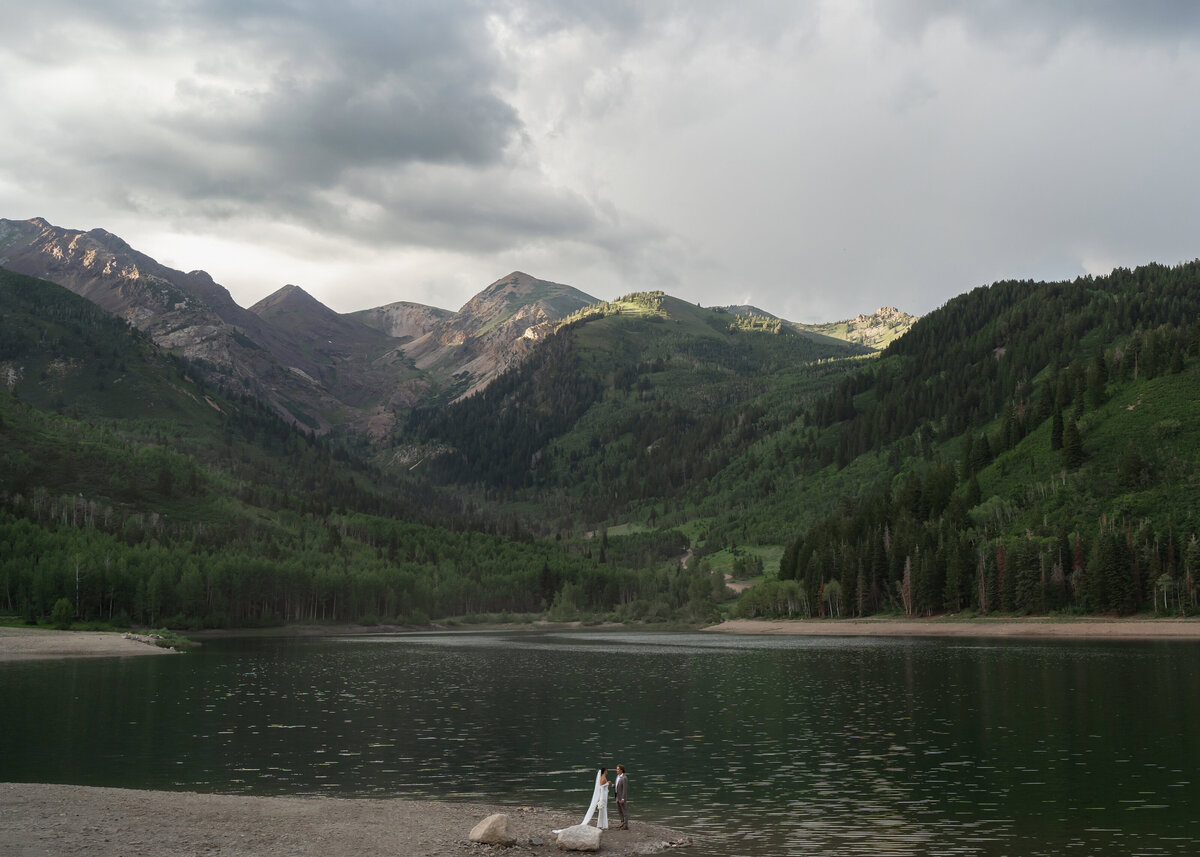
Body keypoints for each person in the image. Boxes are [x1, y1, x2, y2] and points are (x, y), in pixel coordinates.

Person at [555, 768, 610, 833]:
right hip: (603, 796)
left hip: (604, 796)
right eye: (606, 770)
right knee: (603, 810)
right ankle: (603, 825)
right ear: (604, 771)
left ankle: (601, 824)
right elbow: (601, 787)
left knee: (602, 811)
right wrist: (607, 784)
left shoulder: (603, 778)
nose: (607, 771)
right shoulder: (603, 779)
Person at [614, 764, 628, 829]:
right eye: (617, 769)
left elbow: (624, 789)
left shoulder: (624, 778)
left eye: (618, 769)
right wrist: (612, 785)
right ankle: (622, 823)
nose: (617, 770)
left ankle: (625, 825)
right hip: (617, 796)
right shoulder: (617, 776)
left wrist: (623, 798)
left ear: (621, 770)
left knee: (624, 811)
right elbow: (617, 786)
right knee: (619, 811)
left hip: (621, 797)